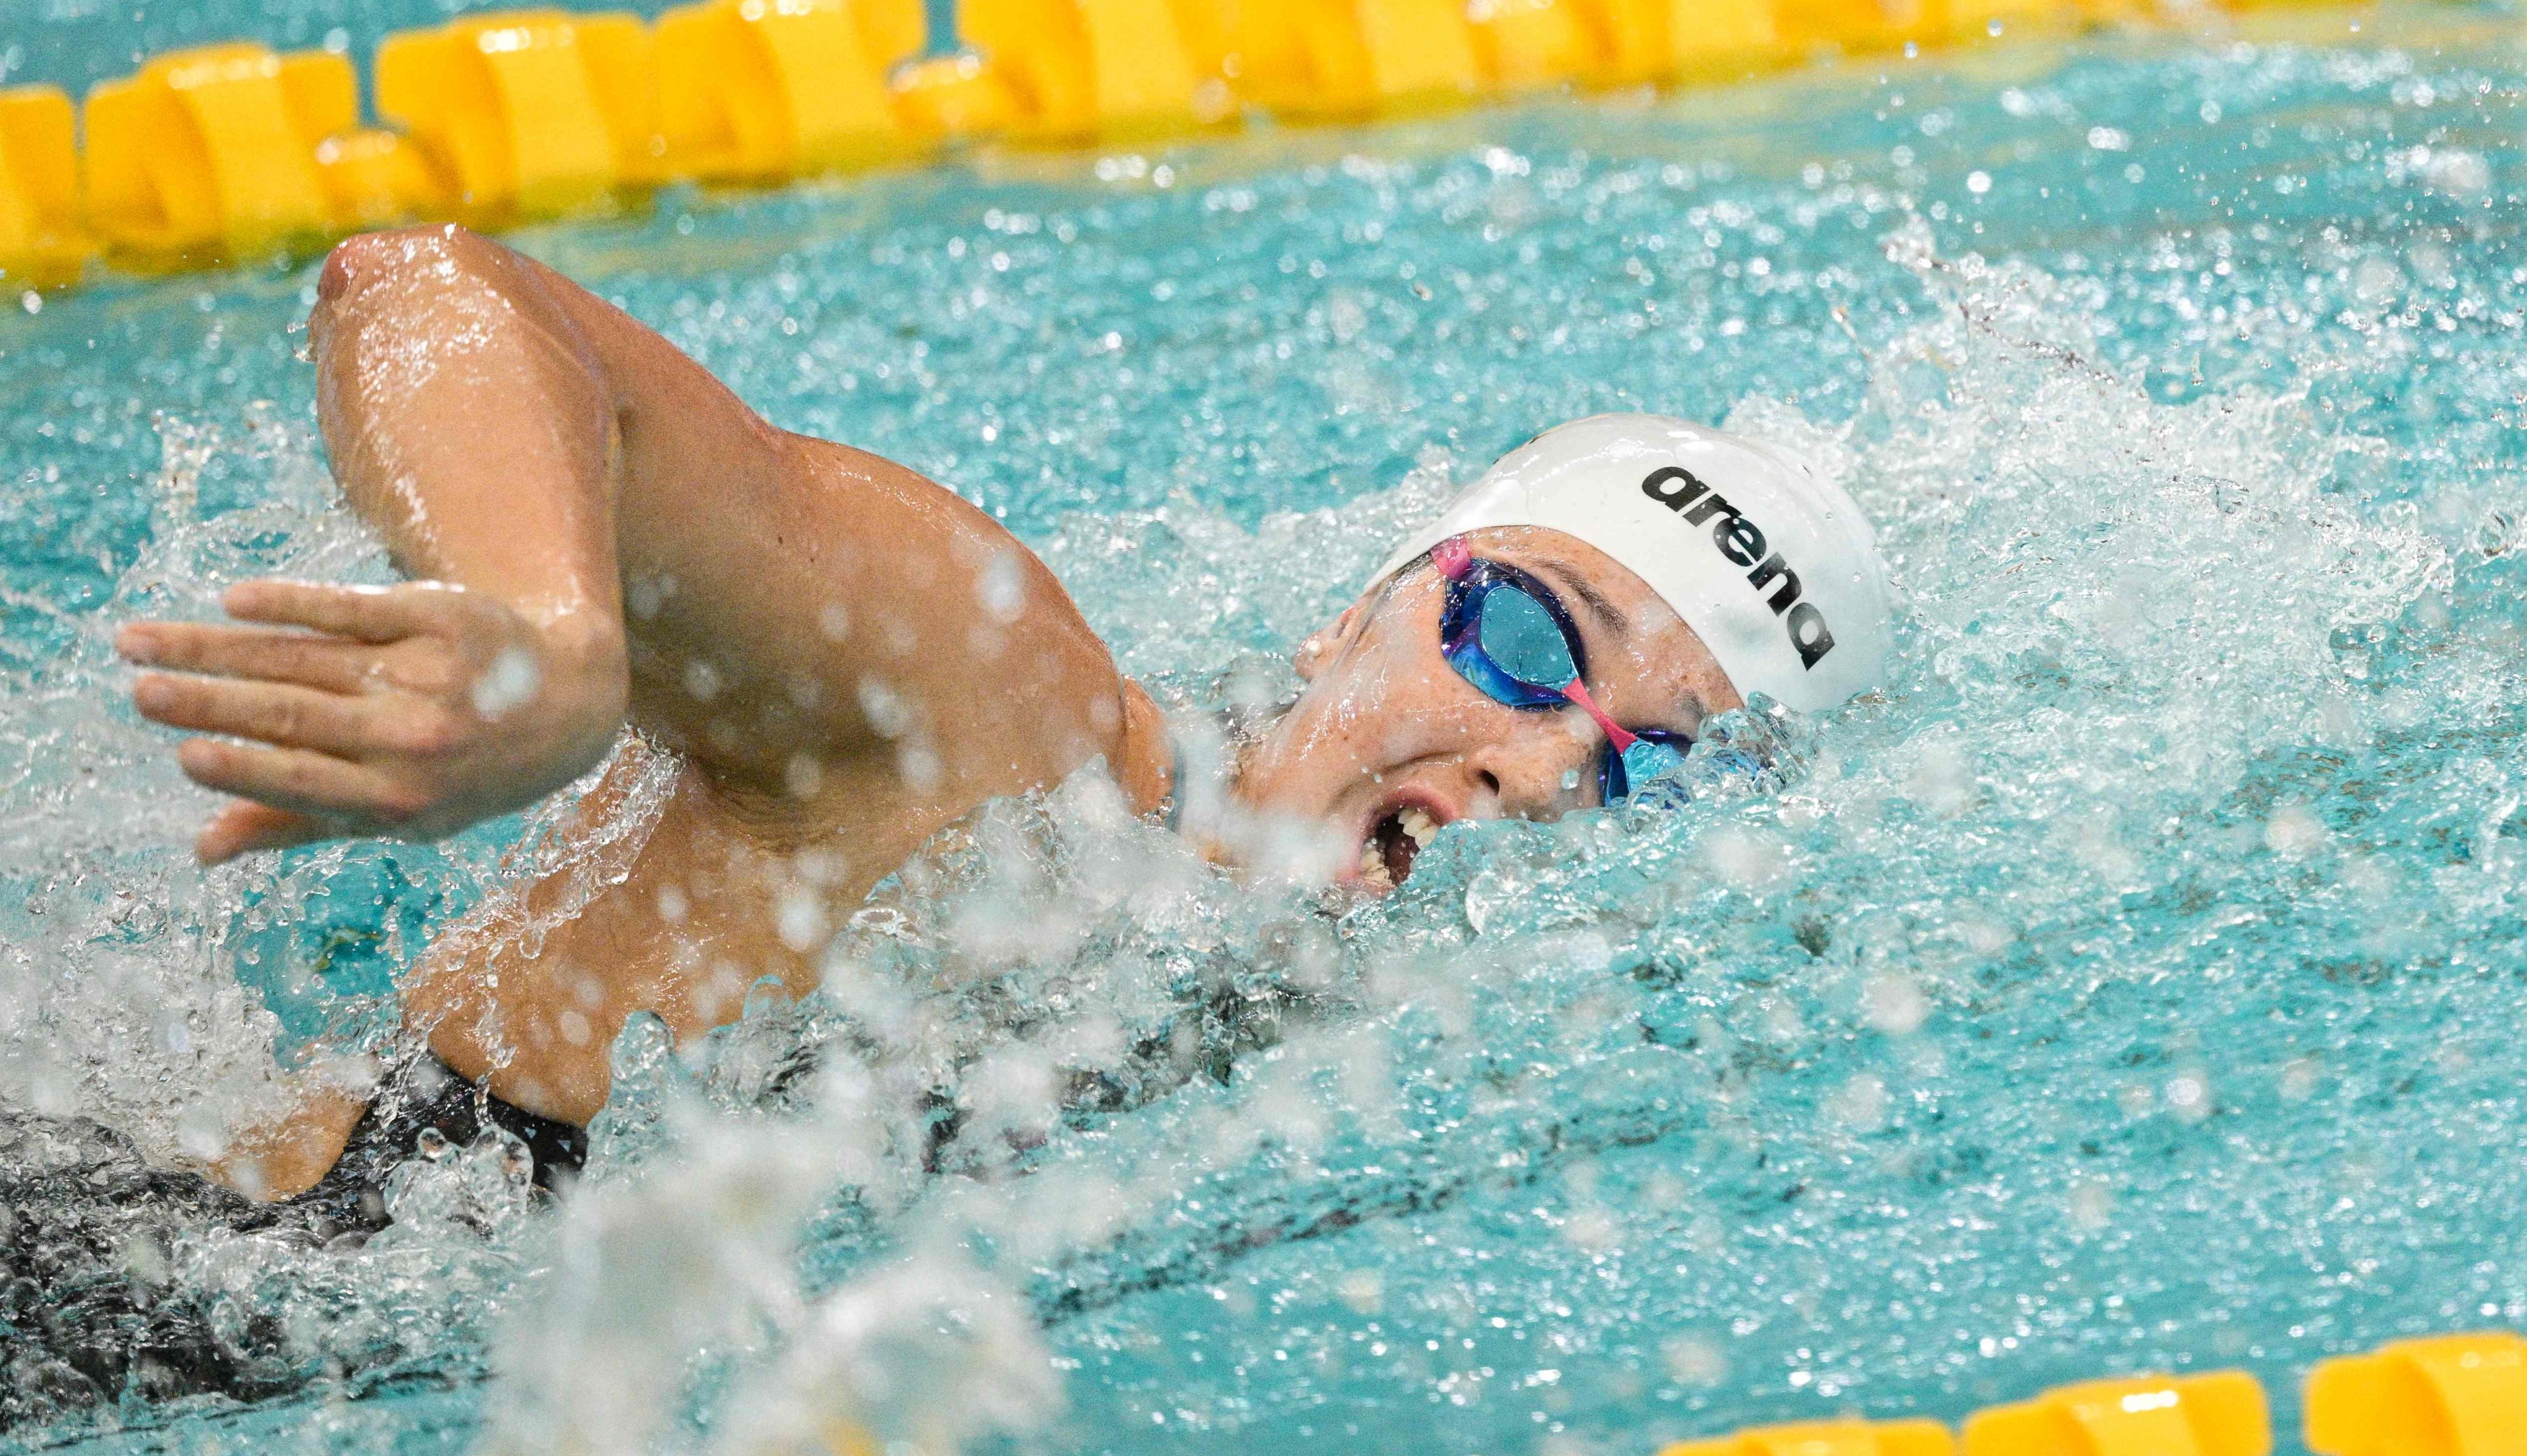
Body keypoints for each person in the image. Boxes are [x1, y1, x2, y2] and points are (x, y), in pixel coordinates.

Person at [117, 225, 1893, 1224]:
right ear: (1363, 604)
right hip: (174, 1275)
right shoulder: (1005, 715)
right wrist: (545, 636)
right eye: (1519, 635)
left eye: (1658, 769)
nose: (1550, 764)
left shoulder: (1367, 1060)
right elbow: (430, 292)